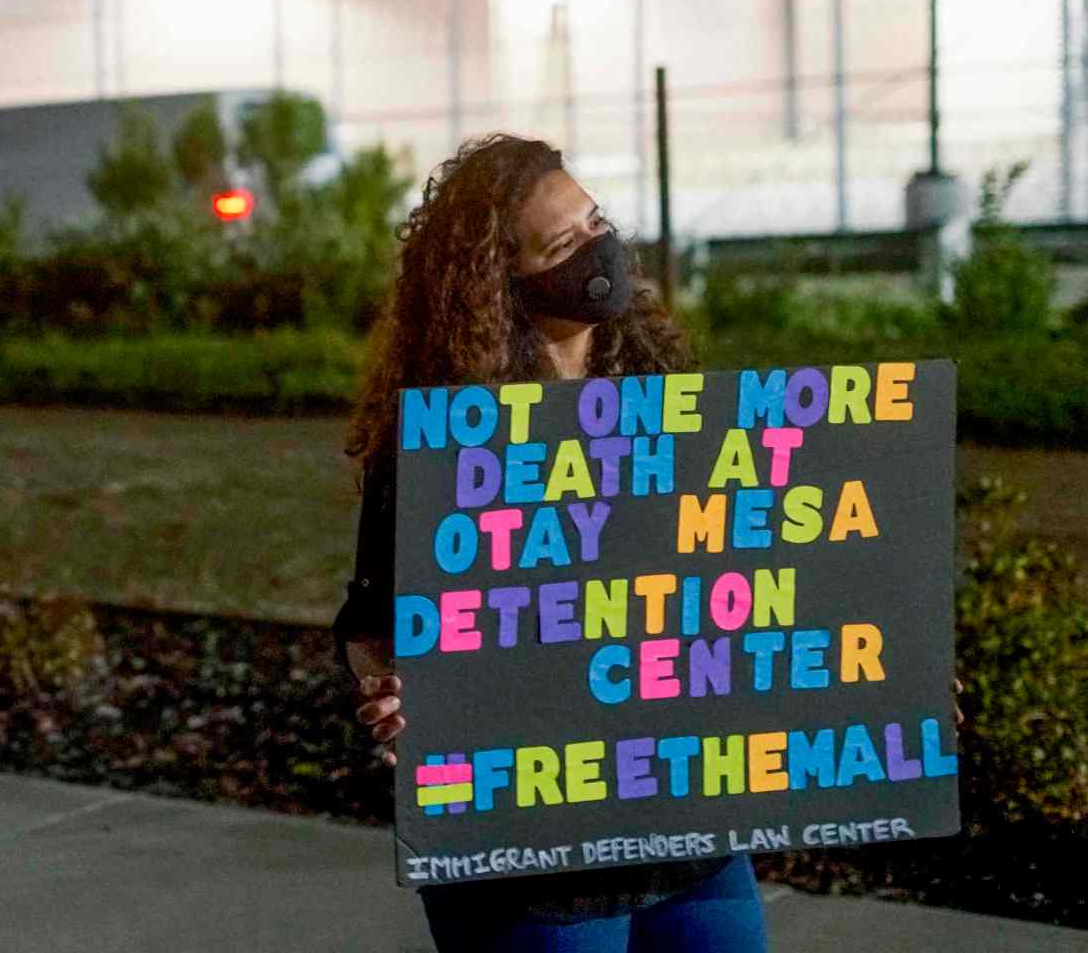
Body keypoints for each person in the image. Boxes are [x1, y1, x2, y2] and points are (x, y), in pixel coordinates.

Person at [329, 132, 770, 953]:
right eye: (565, 244)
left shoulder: (673, 406)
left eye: (596, 219)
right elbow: (370, 619)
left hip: (683, 822)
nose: (600, 245)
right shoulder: (447, 443)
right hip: (531, 859)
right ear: (501, 287)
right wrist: (392, 687)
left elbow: (755, 584)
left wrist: (890, 681)